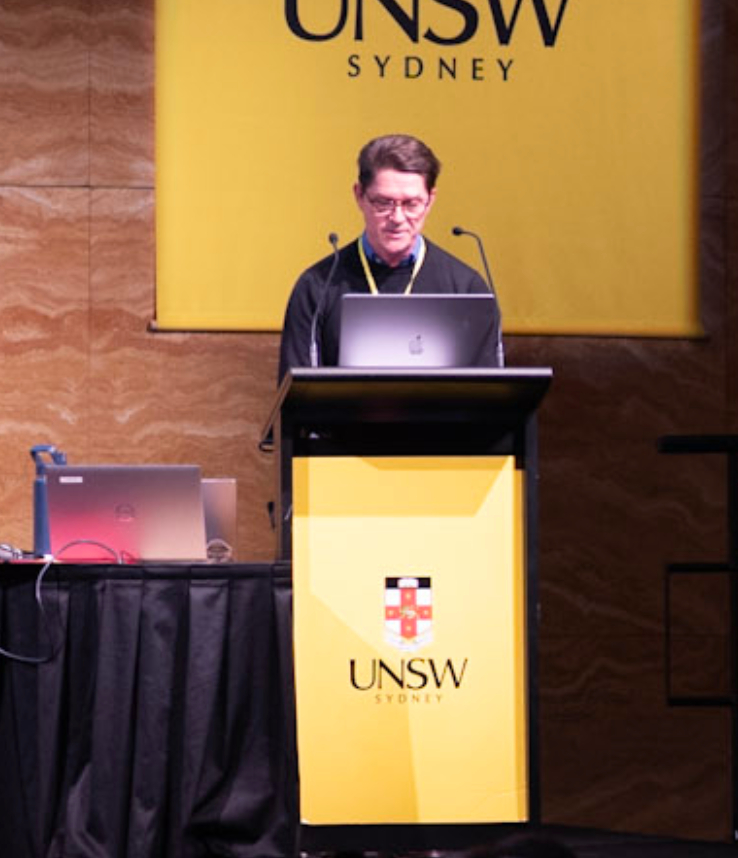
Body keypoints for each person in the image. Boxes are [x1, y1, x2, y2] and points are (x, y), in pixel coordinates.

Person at [278, 133, 500, 381]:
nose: (397, 218)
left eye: (411, 204)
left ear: (430, 201)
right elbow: (295, 395)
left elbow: (487, 393)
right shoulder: (317, 287)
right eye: (383, 203)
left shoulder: (466, 289)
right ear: (359, 196)